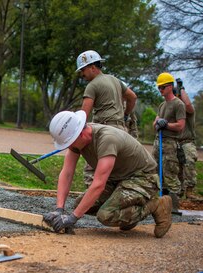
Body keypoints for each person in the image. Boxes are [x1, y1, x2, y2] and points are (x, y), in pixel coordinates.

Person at [43, 110, 172, 238]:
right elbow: (67, 173)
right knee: (81, 204)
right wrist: (59, 209)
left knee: (106, 215)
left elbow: (98, 185)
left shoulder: (106, 139)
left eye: (69, 143)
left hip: (143, 177)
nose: (68, 146)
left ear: (79, 135)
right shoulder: (77, 142)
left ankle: (156, 205)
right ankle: (129, 216)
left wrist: (72, 218)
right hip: (118, 178)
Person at [76, 50, 138, 186]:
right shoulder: (115, 80)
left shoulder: (92, 86)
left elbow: (83, 116)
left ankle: (91, 204)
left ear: (92, 67)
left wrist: (73, 133)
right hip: (121, 131)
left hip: (104, 132)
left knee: (92, 171)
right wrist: (125, 114)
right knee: (117, 171)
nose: (82, 74)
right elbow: (132, 97)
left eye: (83, 70)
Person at [152, 72, 186, 212]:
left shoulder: (178, 104)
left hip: (170, 143)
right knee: (155, 172)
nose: (161, 90)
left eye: (163, 87)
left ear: (171, 86)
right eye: (159, 87)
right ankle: (159, 204)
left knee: (170, 173)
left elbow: (180, 125)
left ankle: (174, 208)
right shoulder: (162, 105)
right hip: (158, 142)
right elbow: (155, 122)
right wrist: (158, 124)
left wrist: (166, 125)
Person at [175, 79, 198, 199]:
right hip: (175, 143)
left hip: (187, 142)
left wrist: (181, 88)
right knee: (176, 169)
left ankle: (190, 191)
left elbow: (188, 104)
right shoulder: (173, 110)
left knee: (189, 165)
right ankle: (179, 193)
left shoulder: (188, 111)